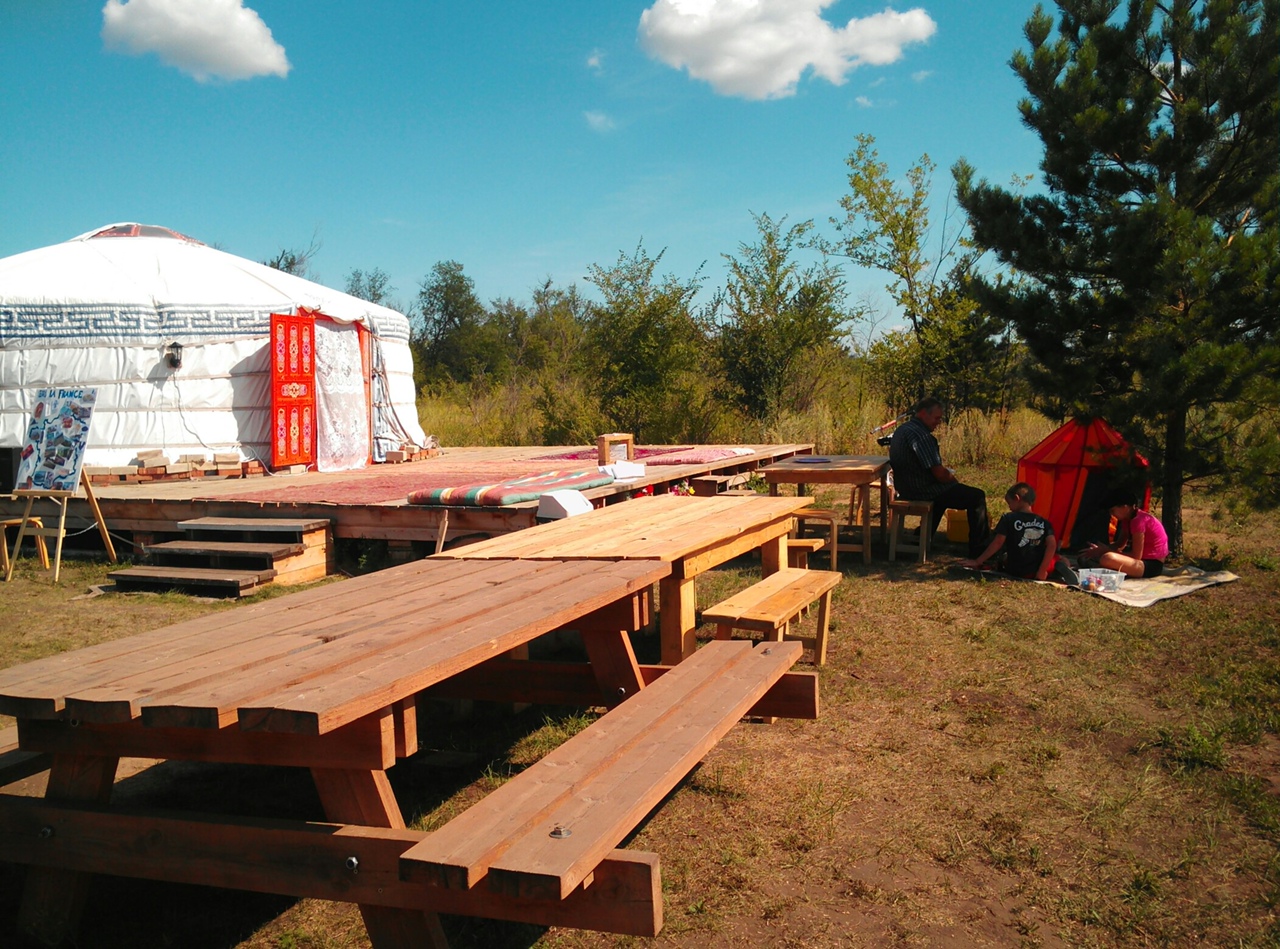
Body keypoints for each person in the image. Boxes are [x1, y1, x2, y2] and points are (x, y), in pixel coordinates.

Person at [888, 397, 990, 558]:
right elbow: (940, 474)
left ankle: (921, 536)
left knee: (943, 495)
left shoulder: (903, 429)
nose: (938, 422)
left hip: (905, 487)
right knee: (976, 497)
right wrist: (954, 482)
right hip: (921, 490)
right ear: (923, 413)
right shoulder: (921, 436)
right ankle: (980, 549)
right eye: (936, 418)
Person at [960, 483, 1078, 583]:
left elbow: (997, 543)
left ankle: (1055, 569)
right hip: (1036, 569)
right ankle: (1058, 568)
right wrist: (1042, 571)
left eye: (1009, 503)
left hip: (1015, 570)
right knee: (1060, 558)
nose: (1009, 508)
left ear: (1017, 498)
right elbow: (1052, 545)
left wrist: (977, 561)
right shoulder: (1044, 522)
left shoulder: (1008, 518)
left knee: (1006, 557)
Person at [1077, 493, 1168, 578]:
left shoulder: (1138, 521)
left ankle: (1097, 568)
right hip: (1138, 562)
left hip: (1150, 565)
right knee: (1090, 556)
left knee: (1107, 558)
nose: (1111, 514)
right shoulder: (1127, 520)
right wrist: (1099, 549)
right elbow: (1120, 544)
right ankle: (1099, 567)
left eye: (1113, 510)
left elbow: (1136, 556)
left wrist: (1104, 551)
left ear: (1125, 507)